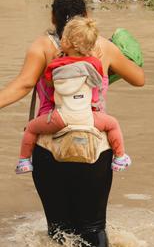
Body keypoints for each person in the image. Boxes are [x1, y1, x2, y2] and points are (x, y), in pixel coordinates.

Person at [0, 0, 145, 247]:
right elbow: (139, 78)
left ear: (53, 17)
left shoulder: (42, 47)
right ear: (87, 16)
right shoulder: (104, 47)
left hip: (49, 147)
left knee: (58, 230)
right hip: (94, 148)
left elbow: (22, 85)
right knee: (93, 228)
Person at [17, 17, 130, 175]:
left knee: (31, 128)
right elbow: (98, 83)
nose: (60, 39)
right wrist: (94, 60)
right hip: (88, 117)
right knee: (113, 125)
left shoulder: (55, 65)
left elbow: (50, 84)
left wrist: (57, 60)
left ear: (69, 43)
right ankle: (120, 157)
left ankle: (24, 160)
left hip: (61, 118)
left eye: (63, 37)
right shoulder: (94, 64)